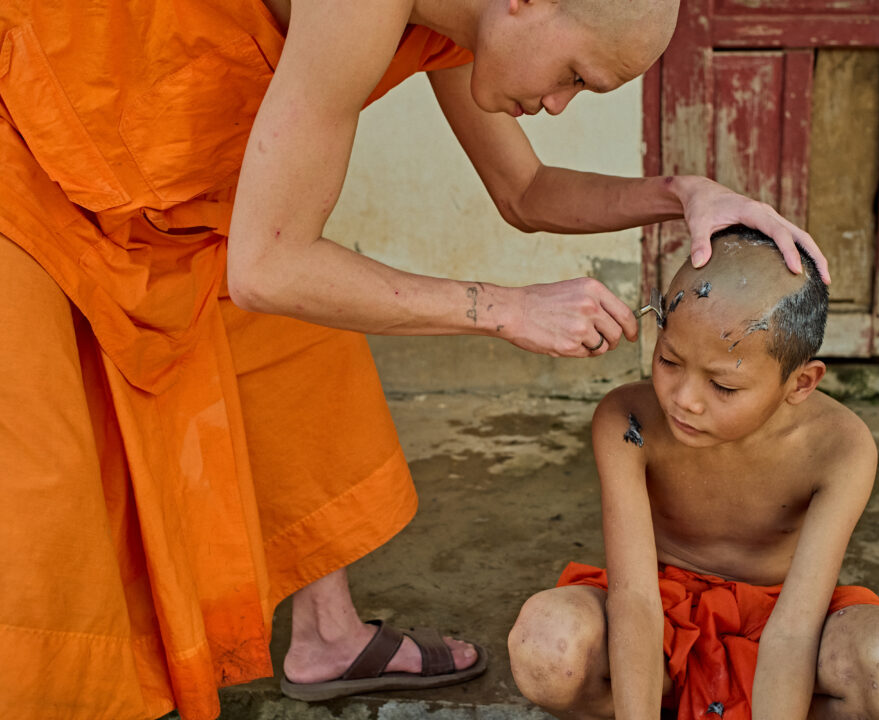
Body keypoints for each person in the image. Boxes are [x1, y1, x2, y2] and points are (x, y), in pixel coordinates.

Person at [0, 0, 831, 717]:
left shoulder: (461, 22)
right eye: (575, 74)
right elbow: (266, 267)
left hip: (192, 190)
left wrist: (681, 193)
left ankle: (328, 637)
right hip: (37, 149)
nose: (559, 102)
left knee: (304, 372)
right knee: (50, 497)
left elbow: (526, 193)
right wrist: (503, 309)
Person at [507, 226, 879, 720]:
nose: (684, 400)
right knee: (544, 645)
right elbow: (634, 601)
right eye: (669, 360)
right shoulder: (626, 422)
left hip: (780, 624)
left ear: (801, 383)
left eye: (723, 386)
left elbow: (796, 628)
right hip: (659, 625)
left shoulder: (840, 447)